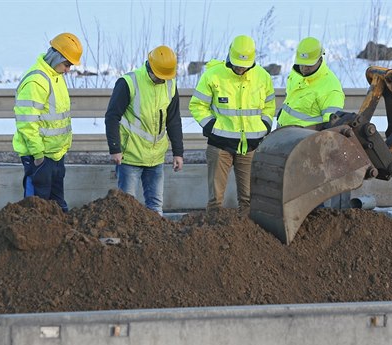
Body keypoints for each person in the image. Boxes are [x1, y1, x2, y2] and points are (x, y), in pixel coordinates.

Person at [189, 35, 276, 214]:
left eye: (245, 66)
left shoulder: (263, 77)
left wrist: (265, 125)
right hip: (220, 146)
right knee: (215, 201)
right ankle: (213, 234)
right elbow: (197, 105)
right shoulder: (213, 75)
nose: (241, 69)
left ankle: (247, 236)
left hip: (250, 147)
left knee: (249, 200)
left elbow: (269, 105)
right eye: (238, 64)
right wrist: (211, 126)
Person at [104, 45, 184, 215]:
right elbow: (112, 116)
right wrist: (115, 149)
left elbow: (174, 120)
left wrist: (178, 152)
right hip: (130, 156)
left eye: (166, 77)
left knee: (155, 206)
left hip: (156, 158)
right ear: (150, 66)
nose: (163, 80)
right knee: (127, 209)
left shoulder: (170, 85)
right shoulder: (129, 82)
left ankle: (156, 242)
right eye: (160, 76)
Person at [12, 32, 83, 212]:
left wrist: (62, 149)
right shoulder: (37, 80)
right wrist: (38, 155)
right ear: (56, 57)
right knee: (36, 210)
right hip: (40, 157)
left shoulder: (56, 77)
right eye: (67, 64)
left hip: (56, 156)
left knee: (58, 208)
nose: (68, 70)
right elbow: (27, 123)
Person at [277, 37, 345, 130]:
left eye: (309, 64)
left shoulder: (331, 88)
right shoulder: (296, 74)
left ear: (320, 59)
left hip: (306, 141)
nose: (304, 68)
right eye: (301, 63)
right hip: (282, 134)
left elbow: (331, 129)